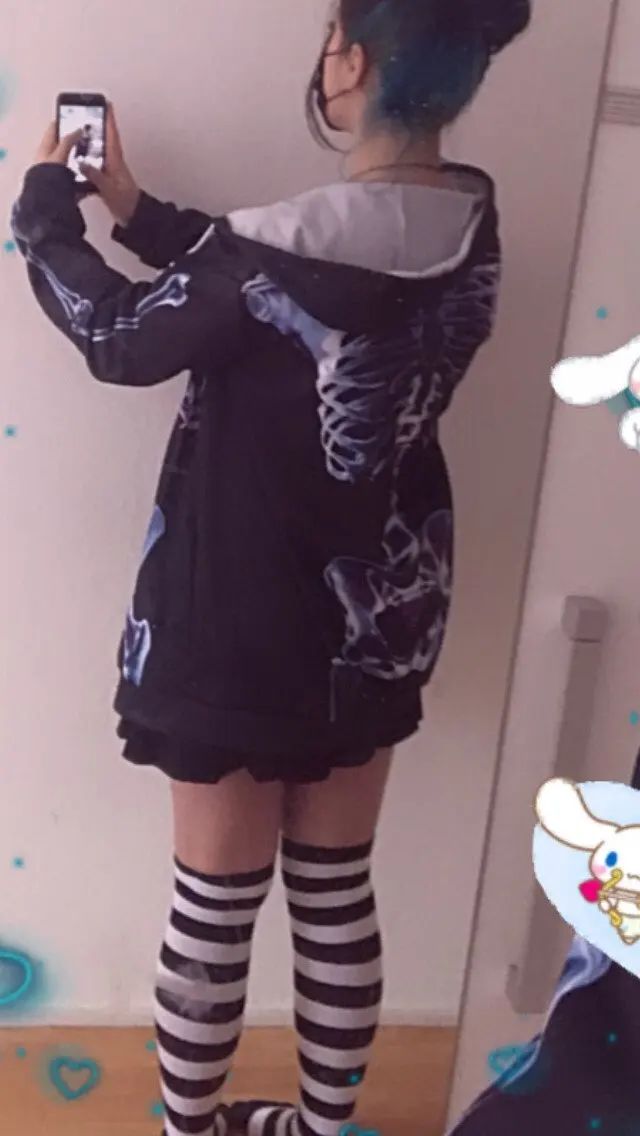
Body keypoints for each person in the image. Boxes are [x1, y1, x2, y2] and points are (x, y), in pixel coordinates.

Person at [11, 3, 531, 1134]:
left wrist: (44, 214)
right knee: (336, 892)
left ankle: (186, 1130)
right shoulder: (475, 223)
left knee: (214, 903)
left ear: (351, 59)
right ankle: (322, 1128)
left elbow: (122, 338)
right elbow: (257, 284)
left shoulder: (272, 242)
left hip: (233, 611)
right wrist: (138, 210)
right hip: (379, 606)